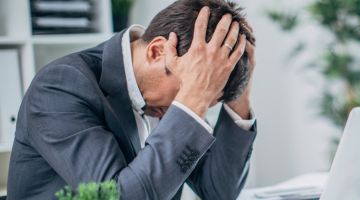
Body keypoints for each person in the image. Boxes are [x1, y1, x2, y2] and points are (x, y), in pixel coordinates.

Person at [7, 0, 257, 199]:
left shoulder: (162, 95)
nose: (191, 103)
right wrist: (190, 99)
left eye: (204, 99)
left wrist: (238, 96)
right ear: (157, 52)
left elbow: (218, 192)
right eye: (193, 89)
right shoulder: (60, 86)